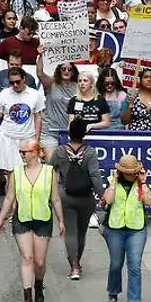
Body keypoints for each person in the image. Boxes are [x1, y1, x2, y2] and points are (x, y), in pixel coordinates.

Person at [0, 138, 64, 302]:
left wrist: (61, 220)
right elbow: (10, 197)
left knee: (39, 262)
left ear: (35, 152)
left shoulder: (49, 172)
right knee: (27, 258)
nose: (22, 155)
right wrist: (1, 219)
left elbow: (55, 198)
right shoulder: (16, 172)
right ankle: (27, 297)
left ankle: (38, 285)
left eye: (25, 152)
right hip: (22, 219)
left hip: (43, 219)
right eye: (20, 152)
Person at [48, 119, 103, 280]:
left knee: (70, 232)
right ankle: (78, 260)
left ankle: (74, 266)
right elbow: (95, 177)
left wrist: (50, 194)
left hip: (66, 197)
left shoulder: (60, 152)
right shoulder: (90, 153)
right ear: (84, 133)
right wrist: (103, 197)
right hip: (86, 198)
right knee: (82, 232)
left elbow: (50, 170)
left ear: (69, 132)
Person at [102, 154, 151, 302]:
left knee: (135, 265)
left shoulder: (141, 184)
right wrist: (115, 182)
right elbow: (108, 200)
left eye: (134, 172)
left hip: (136, 228)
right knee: (116, 263)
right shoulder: (112, 182)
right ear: (121, 172)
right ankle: (113, 293)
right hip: (115, 228)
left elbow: (149, 201)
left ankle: (134, 301)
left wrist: (143, 183)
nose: (132, 175)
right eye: (128, 172)